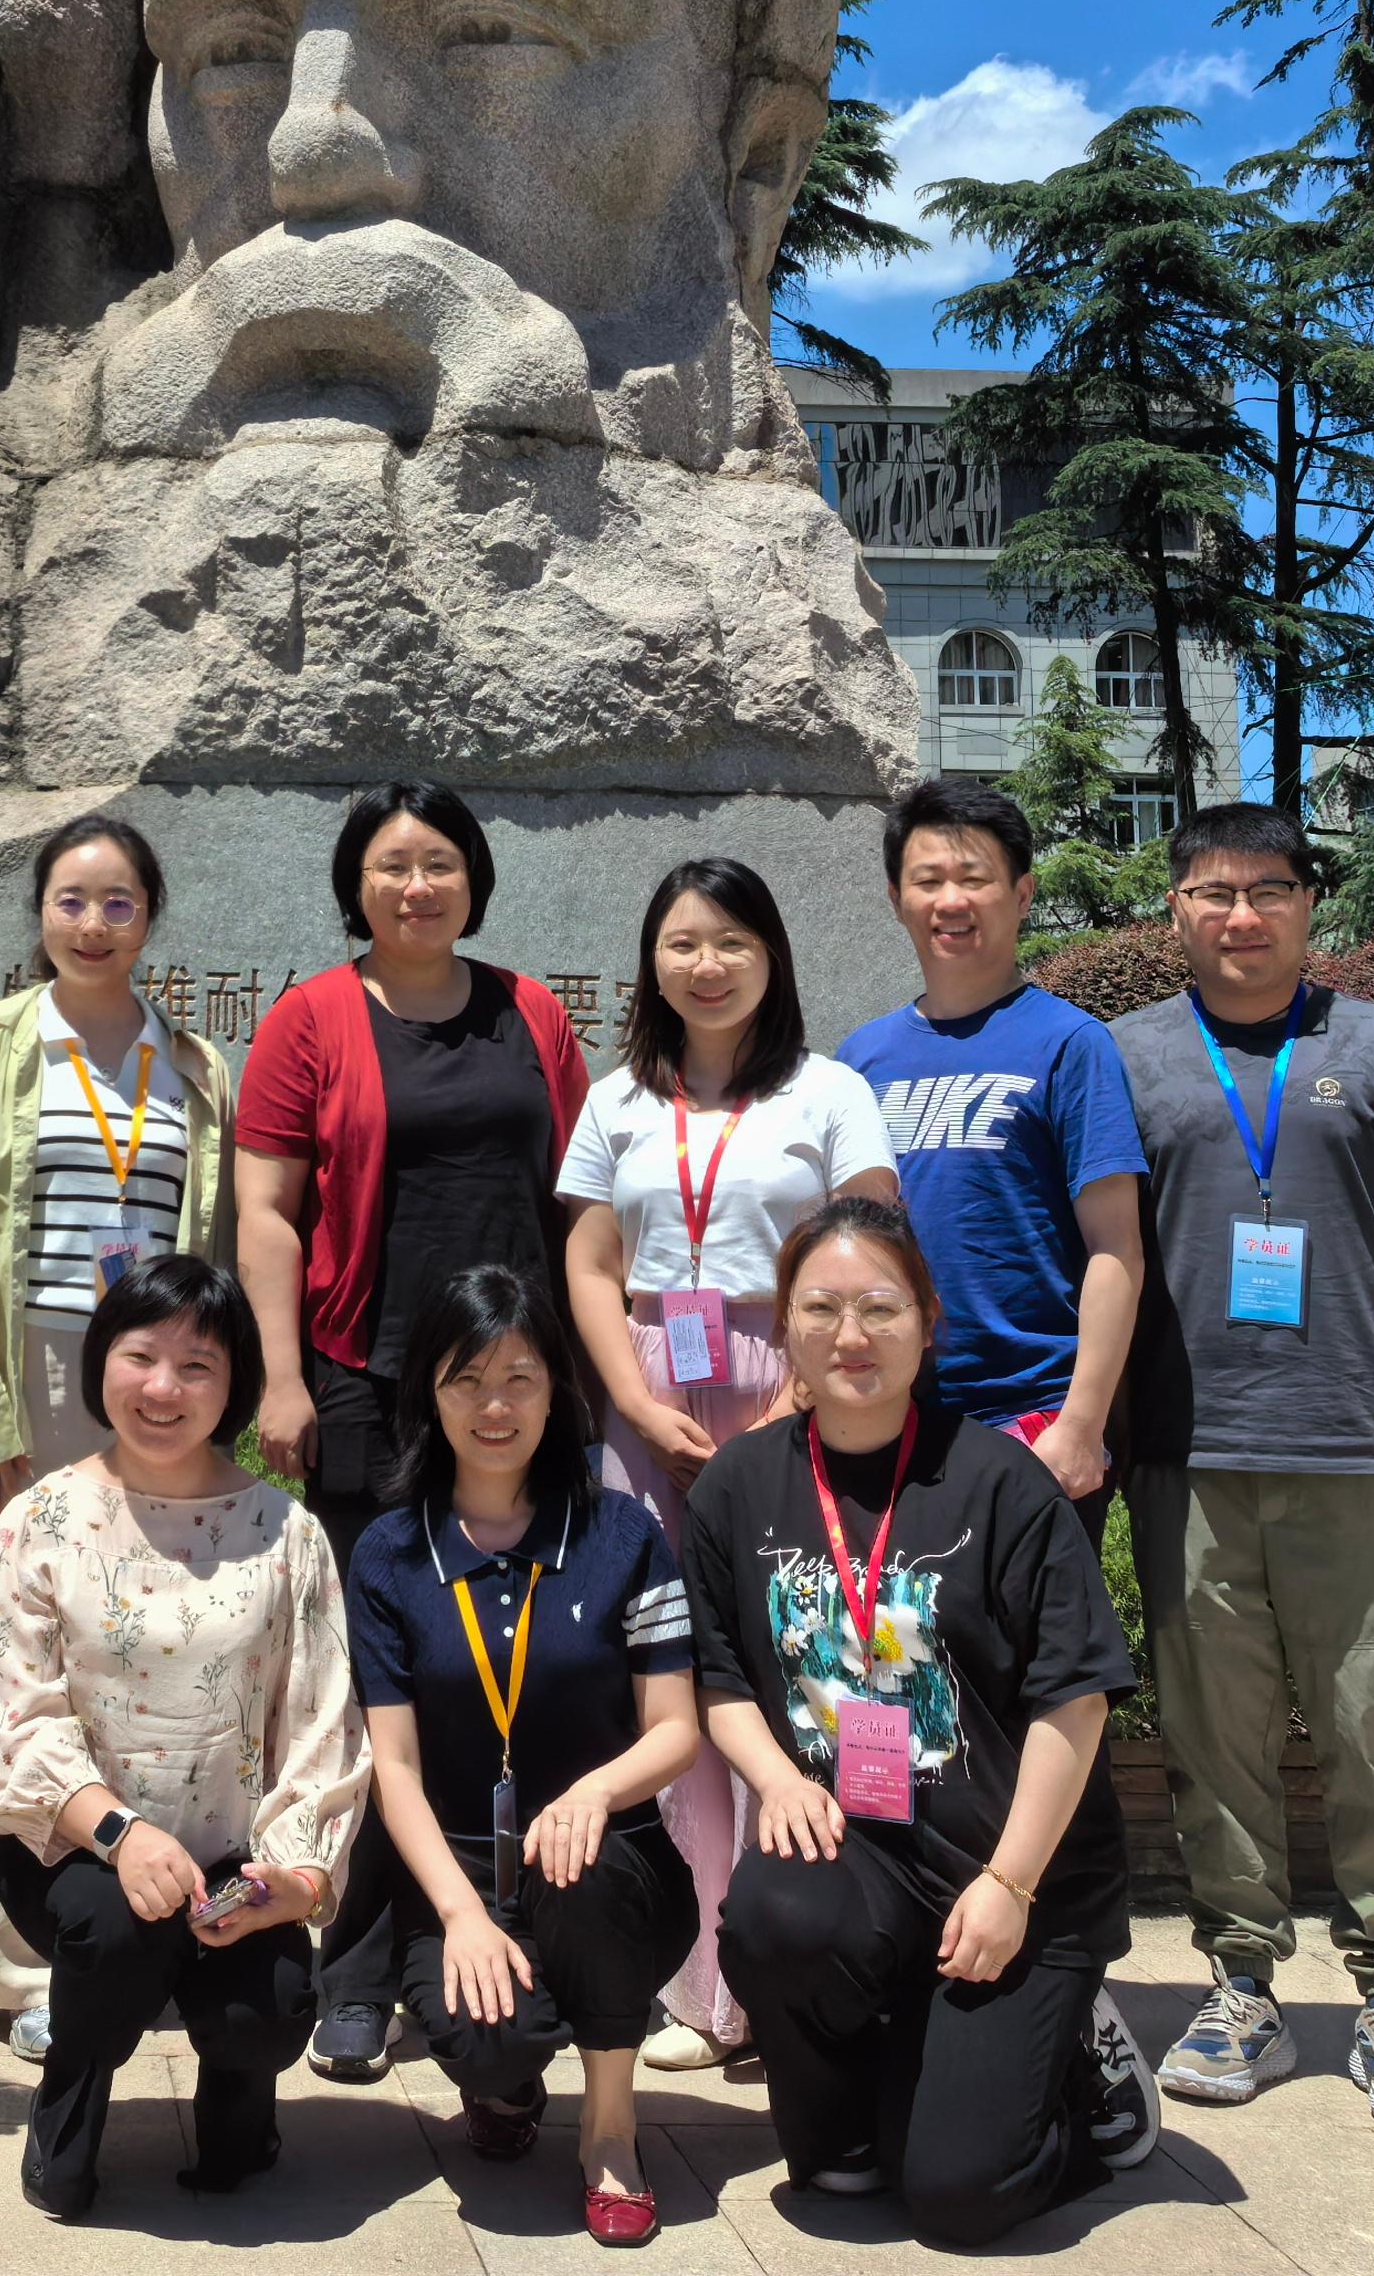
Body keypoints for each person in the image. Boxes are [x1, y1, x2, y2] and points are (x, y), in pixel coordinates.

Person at [1110, 806, 1374, 2131]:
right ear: (1176, 909)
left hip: (1353, 1447)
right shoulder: (1127, 1057)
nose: (1241, 915)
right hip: (1186, 1450)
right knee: (1213, 1740)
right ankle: (1241, 1985)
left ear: (1308, 902)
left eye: (1268, 889)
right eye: (1212, 892)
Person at [685, 1198, 1154, 2248]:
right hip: (857, 1855)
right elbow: (718, 1679)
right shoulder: (737, 1488)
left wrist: (1012, 1884)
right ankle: (872, 2113)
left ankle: (1074, 2068)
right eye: (821, 1308)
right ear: (785, 1325)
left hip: (1012, 1873)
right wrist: (778, 1780)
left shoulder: (1002, 1483)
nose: (850, 1336)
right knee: (772, 1925)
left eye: (880, 1308)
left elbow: (1075, 1698)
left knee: (957, 2196)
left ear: (928, 1322)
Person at [238, 778, 590, 2080]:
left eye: (439, 863)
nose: (416, 886)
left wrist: (589, 1370)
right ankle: (355, 1970)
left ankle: (489, 1945)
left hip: (514, 1394)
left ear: (473, 879)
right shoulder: (312, 1018)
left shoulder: (533, 1013)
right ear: (356, 886)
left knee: (497, 1672)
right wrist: (280, 1377)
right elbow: (266, 1211)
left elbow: (581, 1206)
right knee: (367, 1683)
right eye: (391, 865)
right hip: (367, 1381)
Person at [0, 811, 239, 2056]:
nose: (93, 924)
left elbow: (208, 1251)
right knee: (3, 1662)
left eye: (118, 902)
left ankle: (130, 1932)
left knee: (130, 1654)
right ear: (39, 915)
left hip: (150, 1383)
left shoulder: (193, 1066)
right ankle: (6, 1959)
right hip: (26, 1373)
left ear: (151, 919)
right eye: (70, 901)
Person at [558, 855, 901, 2077]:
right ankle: (698, 1981)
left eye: (732, 943)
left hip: (793, 1377)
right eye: (683, 943)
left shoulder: (830, 1090)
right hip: (651, 1386)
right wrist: (635, 1403)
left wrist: (802, 1393)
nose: (707, 966)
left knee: (793, 1661)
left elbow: (872, 1249)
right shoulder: (616, 1101)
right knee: (667, 1671)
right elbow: (592, 1265)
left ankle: (796, 1966)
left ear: (772, 957)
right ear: (651, 963)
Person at [0, 1253, 370, 2219]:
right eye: (141, 1356)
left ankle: (240, 2111)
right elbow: (16, 1719)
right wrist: (121, 1835)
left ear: (234, 1385)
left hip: (233, 1853)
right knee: (117, 1933)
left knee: (270, 2004)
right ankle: (70, 2099)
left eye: (197, 1366)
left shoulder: (285, 1532)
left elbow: (318, 1719)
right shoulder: (39, 1521)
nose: (163, 1388)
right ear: (102, 1360)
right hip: (77, 1847)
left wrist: (295, 1878)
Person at [346, 1266, 703, 2246]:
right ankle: (507, 2090)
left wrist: (595, 1792)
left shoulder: (621, 1533)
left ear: (556, 1391)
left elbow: (677, 1727)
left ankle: (611, 2128)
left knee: (587, 1873)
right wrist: (459, 1915)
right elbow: (395, 1769)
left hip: (611, 1865)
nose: (493, 1406)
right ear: (429, 1393)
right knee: (487, 2041)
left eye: (519, 1378)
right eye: (466, 1380)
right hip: (463, 1869)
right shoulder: (389, 1554)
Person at [834, 778, 1146, 1541]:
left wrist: (1082, 1425)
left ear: (1022, 894)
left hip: (1031, 1416)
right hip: (889, 1414)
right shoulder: (861, 1059)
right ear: (896, 899)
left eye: (974, 878)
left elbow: (1117, 1249)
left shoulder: (1071, 1044)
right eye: (928, 880)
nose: (951, 901)